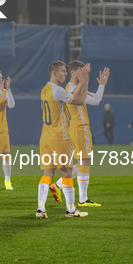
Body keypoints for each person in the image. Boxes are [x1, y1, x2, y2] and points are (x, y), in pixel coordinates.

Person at [50, 61, 110, 209]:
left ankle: (63, 187)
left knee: (84, 162)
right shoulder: (71, 88)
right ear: (74, 72)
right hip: (79, 127)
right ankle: (78, 196)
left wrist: (101, 84)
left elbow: (96, 100)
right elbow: (88, 100)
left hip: (79, 128)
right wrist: (86, 82)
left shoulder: (75, 87)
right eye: (81, 71)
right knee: (85, 161)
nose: (84, 73)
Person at [36, 61, 89, 219]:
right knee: (66, 173)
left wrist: (79, 85)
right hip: (60, 137)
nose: (66, 74)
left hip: (46, 136)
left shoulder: (45, 89)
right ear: (54, 74)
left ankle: (40, 208)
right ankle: (71, 210)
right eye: (63, 71)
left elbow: (71, 97)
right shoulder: (57, 90)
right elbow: (77, 101)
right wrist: (84, 83)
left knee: (47, 173)